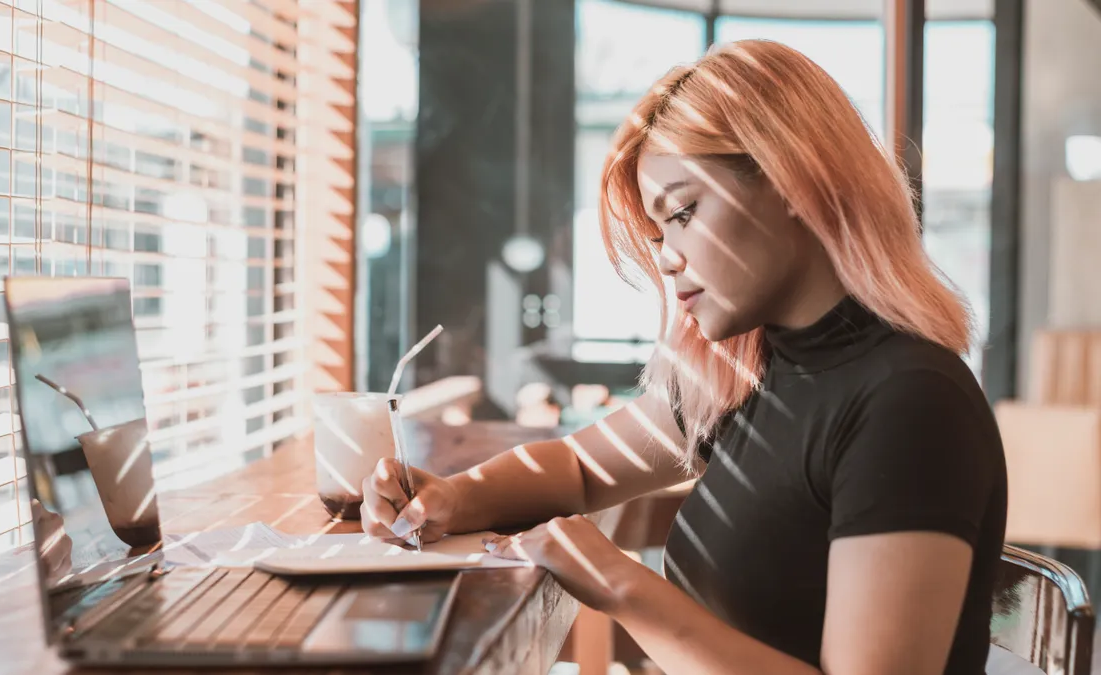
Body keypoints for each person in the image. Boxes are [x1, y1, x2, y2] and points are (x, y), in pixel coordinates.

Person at [362, 39, 1007, 675]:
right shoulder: (749, 372)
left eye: (684, 212)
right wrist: (449, 496)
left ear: (791, 176)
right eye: (658, 229)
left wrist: (622, 585)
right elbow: (580, 469)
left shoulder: (910, 408)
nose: (667, 256)